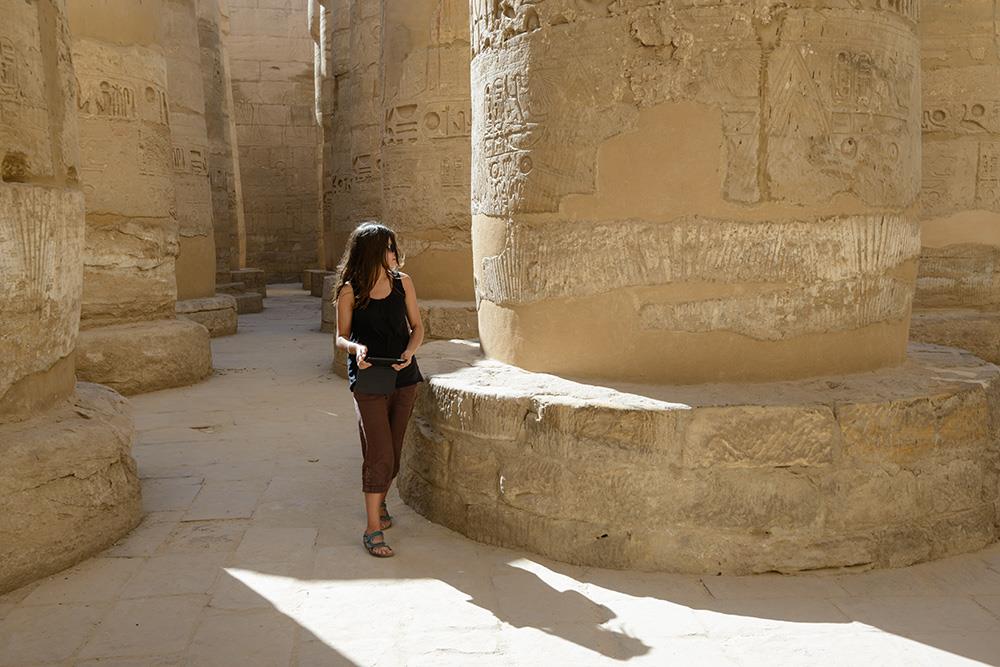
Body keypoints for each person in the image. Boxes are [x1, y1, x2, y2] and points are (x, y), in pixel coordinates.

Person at [334, 222, 424, 558]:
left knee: (394, 455)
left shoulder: (404, 283)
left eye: (393, 246)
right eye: (387, 248)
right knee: (379, 453)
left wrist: (410, 351)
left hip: (404, 377)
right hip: (369, 379)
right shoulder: (349, 290)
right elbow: (340, 337)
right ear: (371, 252)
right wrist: (355, 349)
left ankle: (381, 502)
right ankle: (372, 528)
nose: (394, 253)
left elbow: (417, 327)